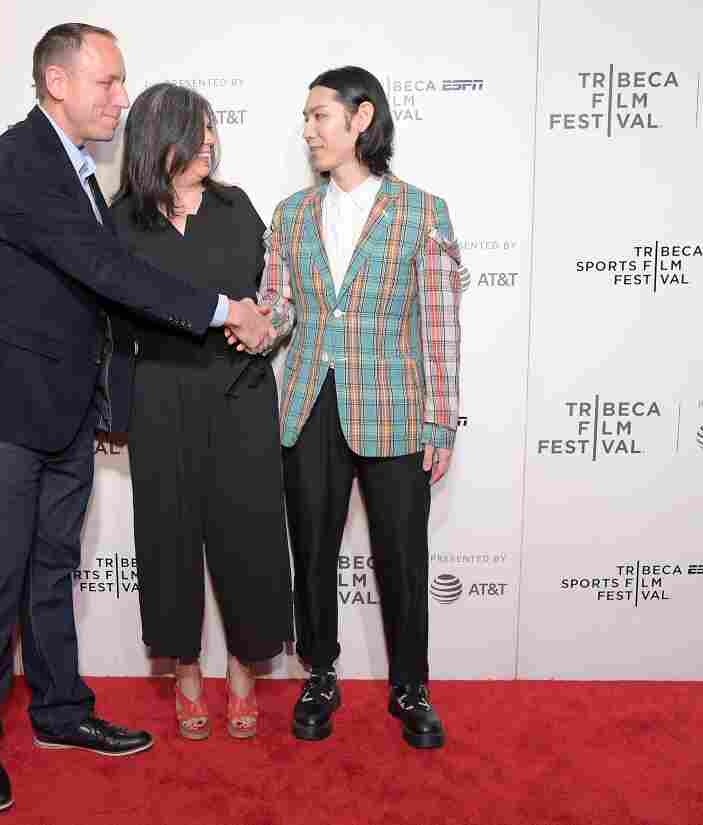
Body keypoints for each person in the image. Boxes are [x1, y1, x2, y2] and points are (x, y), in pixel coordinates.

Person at [0, 23, 272, 813]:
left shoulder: (75, 169)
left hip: (59, 408)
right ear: (56, 82)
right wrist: (222, 310)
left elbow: (89, 301)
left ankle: (59, 712)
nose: (121, 97)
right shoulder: (25, 162)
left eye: (121, 83)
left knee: (50, 567)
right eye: (107, 83)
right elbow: (109, 272)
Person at [234, 65, 464, 749]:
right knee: (311, 550)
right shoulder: (291, 214)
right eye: (305, 120)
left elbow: (439, 321)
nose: (308, 131)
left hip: (394, 408)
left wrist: (441, 416)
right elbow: (279, 310)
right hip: (308, 404)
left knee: (402, 555)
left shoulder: (422, 210)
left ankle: (410, 686)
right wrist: (248, 321)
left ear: (361, 118)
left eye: (319, 116)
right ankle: (321, 673)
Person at [109, 83, 293, 741]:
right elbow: (110, 319)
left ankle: (243, 674)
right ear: (162, 139)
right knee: (168, 536)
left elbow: (270, 296)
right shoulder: (123, 219)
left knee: (249, 535)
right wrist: (112, 407)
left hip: (239, 391)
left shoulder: (236, 206)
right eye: (198, 130)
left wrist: (268, 325)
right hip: (160, 396)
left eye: (213, 129)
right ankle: (185, 675)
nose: (211, 141)